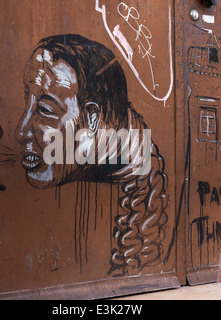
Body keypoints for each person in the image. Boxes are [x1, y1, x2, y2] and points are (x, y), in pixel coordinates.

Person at [15, 34, 171, 276]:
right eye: (27, 99)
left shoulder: (136, 185)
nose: (21, 131)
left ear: (92, 119)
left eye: (44, 110)